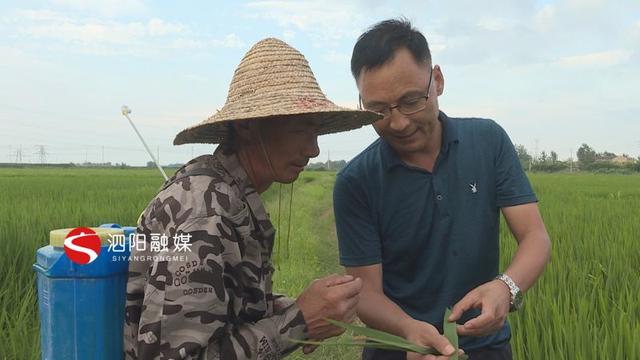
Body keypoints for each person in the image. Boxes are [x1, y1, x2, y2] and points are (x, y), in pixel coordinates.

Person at [123, 38, 381, 360]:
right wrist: (297, 322)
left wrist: (298, 310)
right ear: (247, 126)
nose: (313, 149)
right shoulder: (206, 215)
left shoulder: (231, 196)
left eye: (316, 132)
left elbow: (229, 306)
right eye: (301, 128)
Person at [333, 19, 551, 360]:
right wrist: (408, 330)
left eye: (410, 101)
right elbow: (367, 293)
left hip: (483, 347)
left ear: (437, 80)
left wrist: (505, 288)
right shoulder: (355, 181)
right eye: (377, 110)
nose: (399, 122)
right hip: (399, 349)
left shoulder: (488, 141)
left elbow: (535, 236)